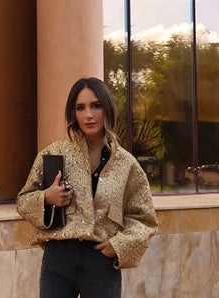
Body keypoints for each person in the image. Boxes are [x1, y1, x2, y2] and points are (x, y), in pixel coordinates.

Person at [16, 77, 158, 298]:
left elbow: (144, 219)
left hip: (101, 260)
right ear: (73, 114)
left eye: (95, 106)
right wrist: (46, 197)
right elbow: (23, 201)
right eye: (80, 108)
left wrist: (119, 245)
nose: (88, 115)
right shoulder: (54, 153)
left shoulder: (126, 164)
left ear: (107, 109)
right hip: (58, 260)